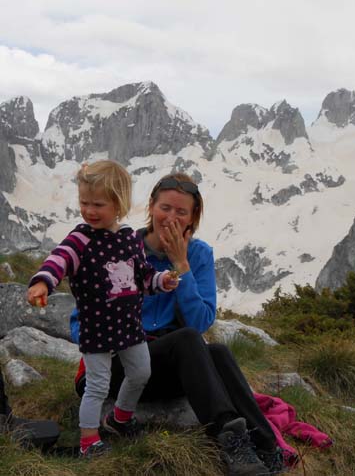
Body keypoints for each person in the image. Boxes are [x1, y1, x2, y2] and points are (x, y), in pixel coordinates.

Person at [70, 173, 284, 475]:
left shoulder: (198, 254)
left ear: (192, 217)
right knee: (185, 340)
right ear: (151, 208)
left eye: (181, 211)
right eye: (165, 208)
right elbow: (78, 323)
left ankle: (266, 446)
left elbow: (200, 323)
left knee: (218, 352)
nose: (171, 217)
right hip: (121, 368)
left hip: (170, 363)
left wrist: (181, 266)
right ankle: (229, 440)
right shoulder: (120, 246)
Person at [27, 160, 179, 458]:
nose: (89, 211)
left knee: (140, 372)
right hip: (96, 329)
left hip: (130, 327)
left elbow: (143, 278)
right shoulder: (80, 239)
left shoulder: (130, 239)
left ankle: (120, 419)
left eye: (98, 204)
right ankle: (88, 441)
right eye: (84, 202)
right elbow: (58, 260)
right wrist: (43, 282)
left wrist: (162, 280)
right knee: (97, 385)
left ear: (119, 204)